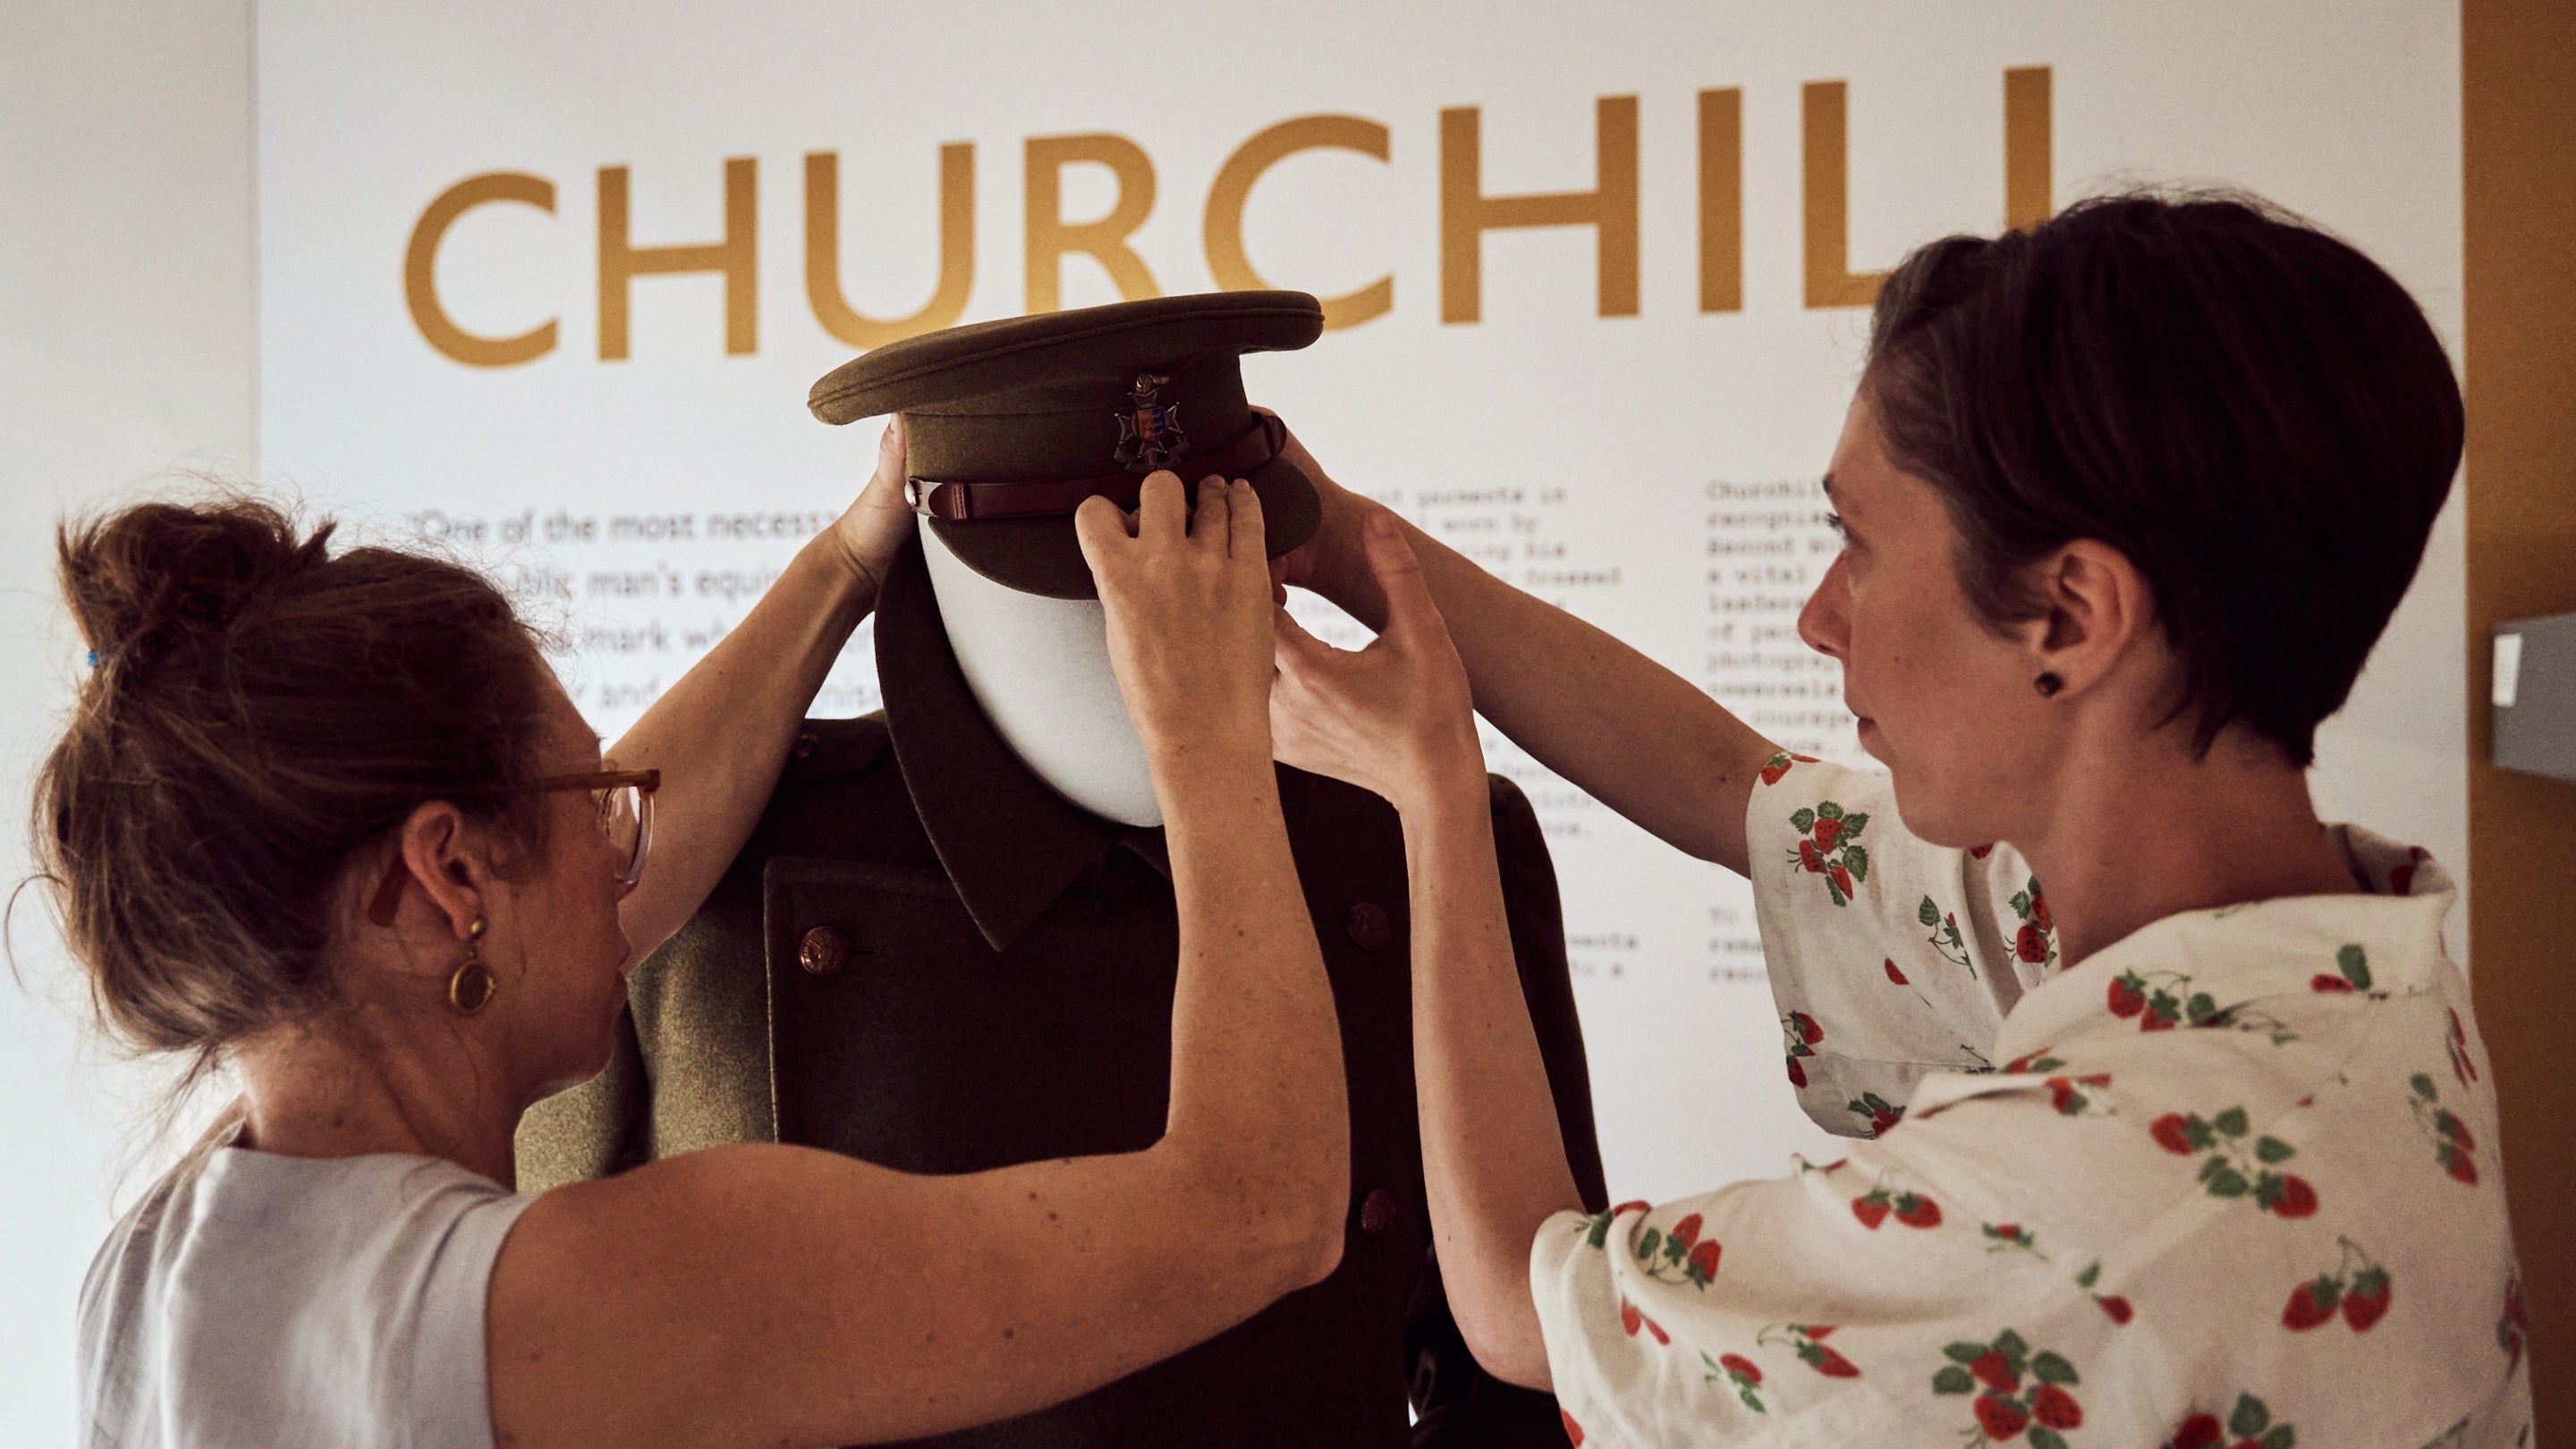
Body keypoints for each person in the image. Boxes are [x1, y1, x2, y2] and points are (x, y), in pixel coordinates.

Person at [1267, 191, 2531, 1446]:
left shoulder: (2084, 1202)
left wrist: (1433, 802)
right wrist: (1334, 540)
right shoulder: (2326, 961)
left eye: (1857, 542)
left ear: (2070, 615)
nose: (1818, 616)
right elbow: (1727, 784)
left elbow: (1522, 1309)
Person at [55, 455, 1352, 1447]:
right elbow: (1259, 1213)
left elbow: (596, 897)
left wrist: (845, 564)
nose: (624, 855)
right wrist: (1205, 733)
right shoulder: (578, 1300)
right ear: (448, 873)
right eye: (594, 805)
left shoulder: (162, 1269)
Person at [516, 293, 1607, 1449]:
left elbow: (1531, 1380)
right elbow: (569, 1367)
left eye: (1207, 569)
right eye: (1086, 593)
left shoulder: (1415, 831)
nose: (1148, 638)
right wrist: (837, 567)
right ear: (929, 555)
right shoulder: (711, 879)